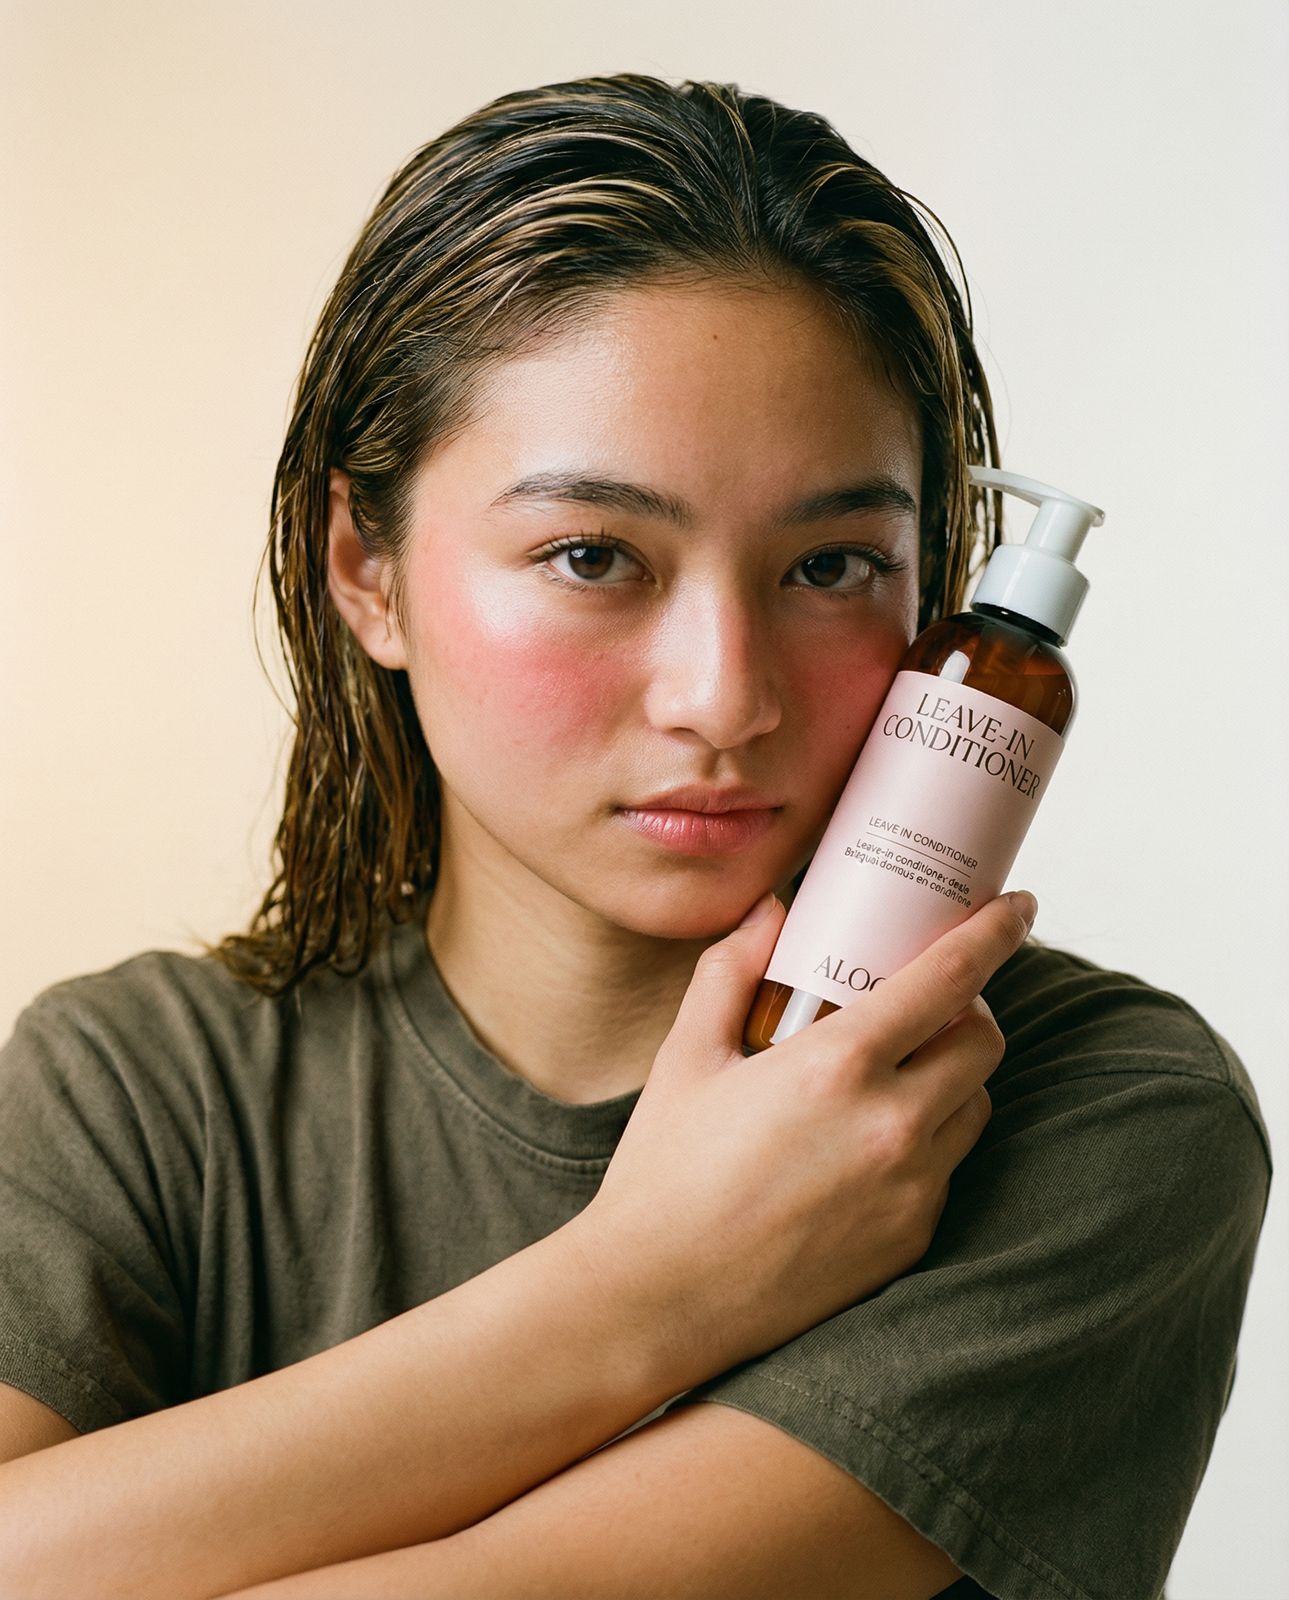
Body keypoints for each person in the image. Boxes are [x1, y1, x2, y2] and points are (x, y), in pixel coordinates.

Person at [0, 73, 1270, 1600]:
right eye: (593, 554)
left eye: (829, 566)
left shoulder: (1090, 1120)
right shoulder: (134, 1090)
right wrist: (645, 1287)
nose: (722, 698)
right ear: (367, 569)